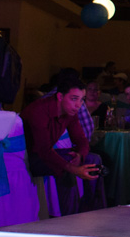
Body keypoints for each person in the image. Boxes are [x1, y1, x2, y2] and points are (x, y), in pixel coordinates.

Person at [20, 77, 106, 215]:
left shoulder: (70, 112)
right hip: (29, 158)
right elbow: (43, 150)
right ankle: (70, 217)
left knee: (94, 160)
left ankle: (94, 212)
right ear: (60, 96)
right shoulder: (39, 110)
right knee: (66, 166)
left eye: (82, 100)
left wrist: (80, 155)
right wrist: (73, 168)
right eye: (74, 99)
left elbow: (81, 140)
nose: (78, 105)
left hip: (47, 154)